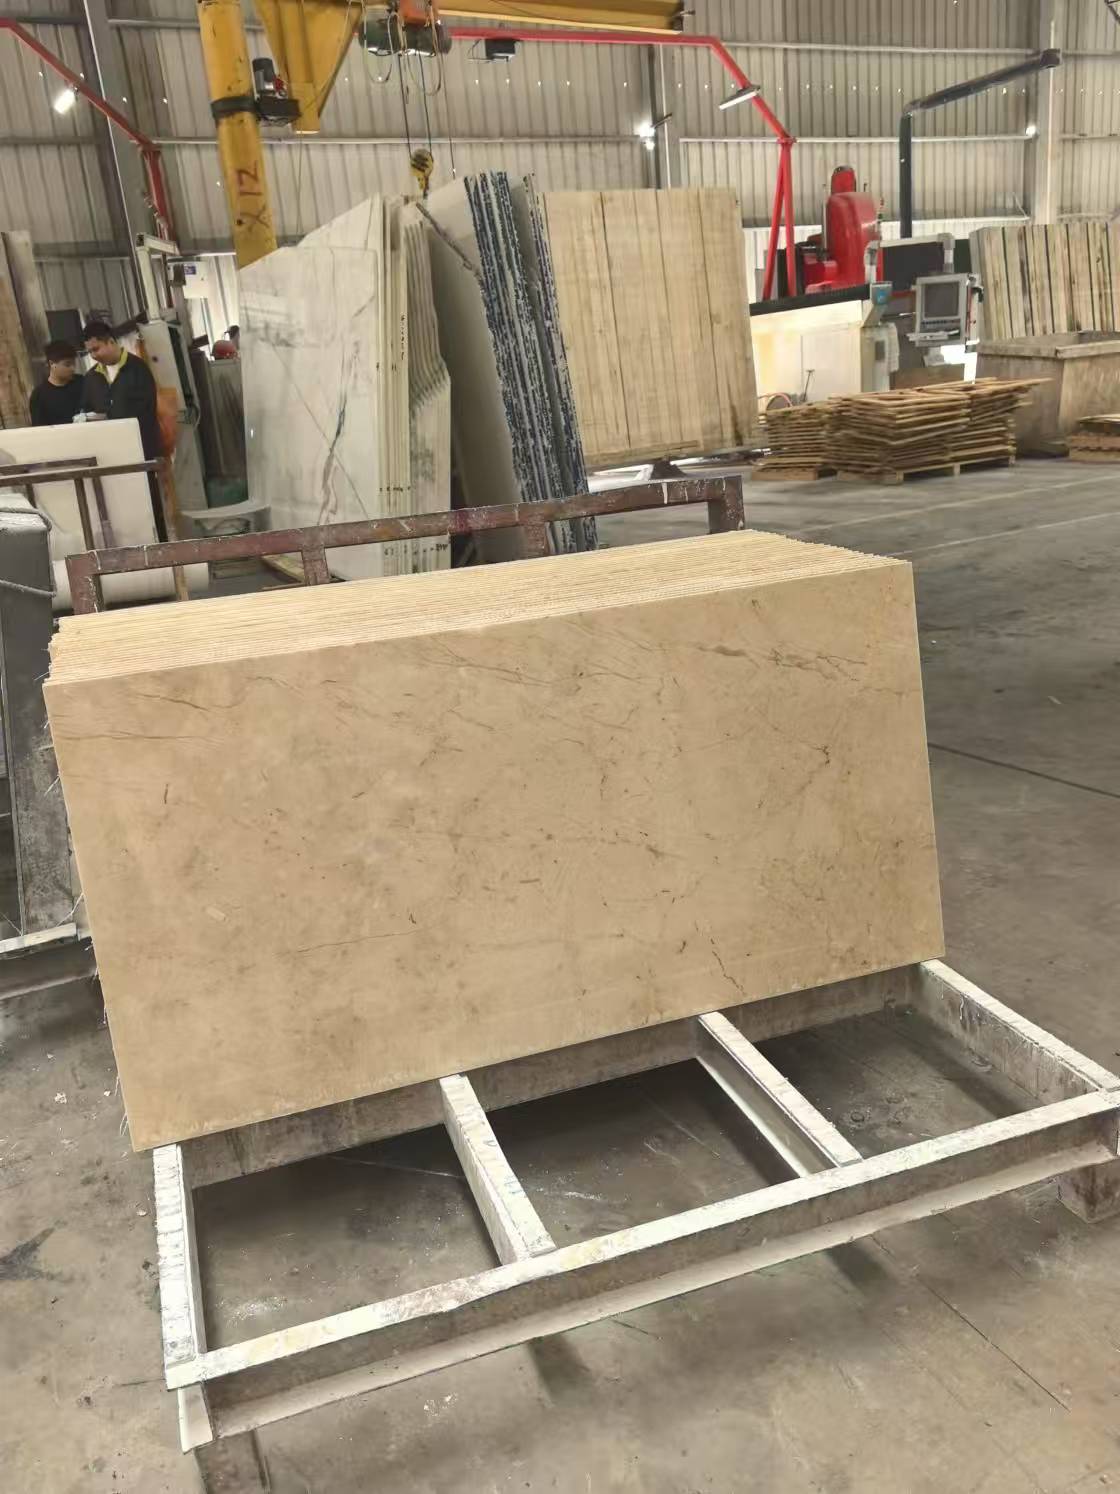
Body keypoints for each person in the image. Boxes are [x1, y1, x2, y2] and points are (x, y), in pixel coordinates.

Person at [81, 319, 167, 539]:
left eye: (96, 349)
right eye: (89, 351)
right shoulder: (92, 378)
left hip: (142, 450)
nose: (93, 355)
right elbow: (88, 408)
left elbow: (146, 410)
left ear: (111, 342)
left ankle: (158, 544)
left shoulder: (137, 369)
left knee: (149, 502)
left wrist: (115, 422)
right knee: (120, 507)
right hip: (109, 456)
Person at [29, 339, 84, 427]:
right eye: (67, 364)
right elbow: (39, 428)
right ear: (52, 364)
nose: (73, 368)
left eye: (74, 364)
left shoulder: (82, 382)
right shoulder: (39, 395)